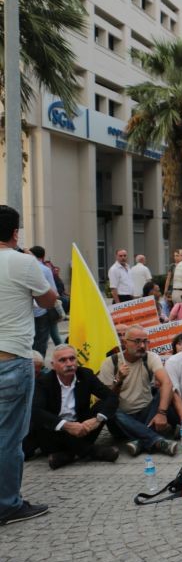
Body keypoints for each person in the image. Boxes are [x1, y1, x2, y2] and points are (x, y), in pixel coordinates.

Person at [0, 206, 57, 525]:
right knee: (8, 437)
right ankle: (7, 504)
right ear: (15, 232)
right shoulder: (23, 261)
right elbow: (48, 300)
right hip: (11, 359)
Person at [27, 345, 119, 469]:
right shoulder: (44, 382)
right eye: (63, 360)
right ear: (53, 365)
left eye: (72, 359)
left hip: (82, 430)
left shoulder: (85, 374)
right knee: (41, 421)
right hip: (56, 434)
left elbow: (111, 397)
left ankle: (68, 455)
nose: (69, 364)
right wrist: (66, 426)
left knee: (102, 406)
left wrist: (97, 420)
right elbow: (36, 411)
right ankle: (92, 451)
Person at [98, 325, 179, 456]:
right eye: (137, 341)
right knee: (109, 409)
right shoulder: (110, 363)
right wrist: (118, 380)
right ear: (125, 342)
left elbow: (166, 383)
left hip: (146, 413)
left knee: (164, 391)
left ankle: (140, 441)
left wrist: (162, 413)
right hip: (122, 420)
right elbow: (106, 399)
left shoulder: (150, 357)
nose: (142, 346)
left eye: (145, 341)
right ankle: (156, 440)